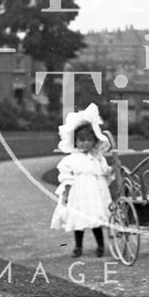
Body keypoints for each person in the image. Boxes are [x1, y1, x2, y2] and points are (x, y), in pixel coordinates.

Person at [50, 103, 116, 258]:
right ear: (75, 142)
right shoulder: (71, 159)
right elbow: (66, 177)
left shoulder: (97, 158)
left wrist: (111, 169)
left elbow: (105, 172)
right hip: (79, 192)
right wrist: (65, 194)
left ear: (94, 141)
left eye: (89, 140)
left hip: (94, 193)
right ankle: (78, 247)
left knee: (96, 220)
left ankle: (100, 246)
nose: (85, 143)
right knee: (78, 221)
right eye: (82, 140)